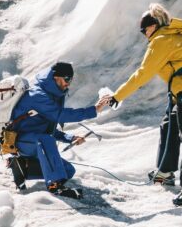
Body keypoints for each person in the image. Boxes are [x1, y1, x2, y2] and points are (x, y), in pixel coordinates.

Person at [99, 4, 182, 206]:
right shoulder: (180, 36)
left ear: (153, 26)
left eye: (145, 29)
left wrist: (118, 96)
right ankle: (165, 170)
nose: (144, 34)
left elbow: (143, 74)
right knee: (169, 125)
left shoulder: (161, 40)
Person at [9, 61, 111, 198]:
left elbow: (47, 128)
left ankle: (23, 167)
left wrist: (70, 138)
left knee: (68, 171)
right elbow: (60, 115)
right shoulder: (37, 95)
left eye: (71, 79)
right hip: (20, 141)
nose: (68, 83)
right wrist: (94, 110)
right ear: (54, 77)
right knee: (45, 140)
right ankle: (55, 186)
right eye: (66, 79)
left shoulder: (53, 95)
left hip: (34, 141)